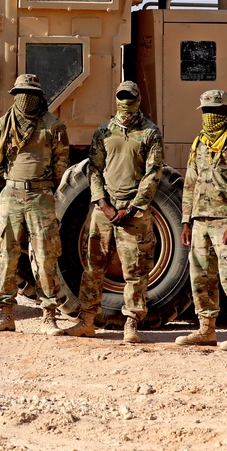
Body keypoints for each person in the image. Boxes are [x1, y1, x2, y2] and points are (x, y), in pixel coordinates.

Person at [66, 81, 163, 343]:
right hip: (104, 211)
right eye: (121, 97)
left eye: (130, 98)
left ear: (138, 100)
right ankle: (86, 321)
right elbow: (94, 169)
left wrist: (133, 207)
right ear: (116, 100)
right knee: (93, 267)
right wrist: (102, 203)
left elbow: (153, 174)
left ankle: (131, 324)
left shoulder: (150, 133)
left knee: (135, 270)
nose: (125, 102)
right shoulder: (104, 131)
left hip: (135, 213)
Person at [0, 74, 69, 336]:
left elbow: (61, 163)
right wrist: (15, 181)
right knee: (7, 256)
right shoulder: (3, 125)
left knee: (46, 256)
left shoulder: (53, 125)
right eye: (21, 93)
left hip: (40, 196)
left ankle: (49, 315)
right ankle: (6, 315)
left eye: (30, 93)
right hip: (11, 195)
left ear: (39, 96)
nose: (26, 99)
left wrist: (41, 185)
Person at [176, 89, 227, 351]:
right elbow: (190, 183)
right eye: (206, 112)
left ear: (225, 111)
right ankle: (206, 330)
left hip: (226, 222)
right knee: (200, 277)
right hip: (200, 221)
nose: (210, 116)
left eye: (215, 111)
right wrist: (186, 221)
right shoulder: (199, 143)